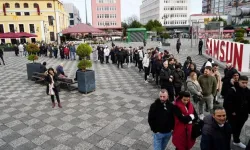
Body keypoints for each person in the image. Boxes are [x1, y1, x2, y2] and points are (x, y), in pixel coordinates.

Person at [223, 76, 250, 149]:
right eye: (243, 82)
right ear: (239, 81)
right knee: (229, 130)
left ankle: (236, 141)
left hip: (243, 115)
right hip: (233, 116)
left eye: (246, 83)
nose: (244, 84)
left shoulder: (248, 91)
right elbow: (226, 103)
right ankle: (226, 145)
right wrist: (232, 112)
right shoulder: (232, 90)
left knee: (238, 129)